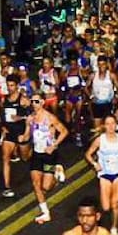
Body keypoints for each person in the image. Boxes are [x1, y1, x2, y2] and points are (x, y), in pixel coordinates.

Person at [84, 115, 118, 235]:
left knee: (115, 203)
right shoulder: (100, 140)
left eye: (112, 124)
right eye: (108, 124)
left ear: (116, 125)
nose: (110, 126)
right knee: (105, 207)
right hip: (105, 174)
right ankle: (103, 221)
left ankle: (114, 227)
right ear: (104, 126)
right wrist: (95, 164)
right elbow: (88, 154)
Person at [26, 94, 69, 224]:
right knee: (36, 184)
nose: (34, 103)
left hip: (49, 156)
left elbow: (64, 131)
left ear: (43, 102)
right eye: (32, 101)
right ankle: (45, 212)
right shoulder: (31, 118)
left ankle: (56, 172)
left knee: (47, 187)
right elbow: (27, 135)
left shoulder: (50, 118)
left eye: (37, 101)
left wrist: (53, 145)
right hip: (37, 154)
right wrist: (24, 136)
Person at [0, 79, 31, 198]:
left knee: (25, 157)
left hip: (21, 133)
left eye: (12, 85)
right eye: (8, 85)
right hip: (10, 133)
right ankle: (7, 187)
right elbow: (0, 112)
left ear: (17, 86)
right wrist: (2, 126)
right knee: (5, 158)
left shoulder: (23, 100)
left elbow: (32, 115)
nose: (10, 88)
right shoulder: (4, 99)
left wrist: (21, 118)